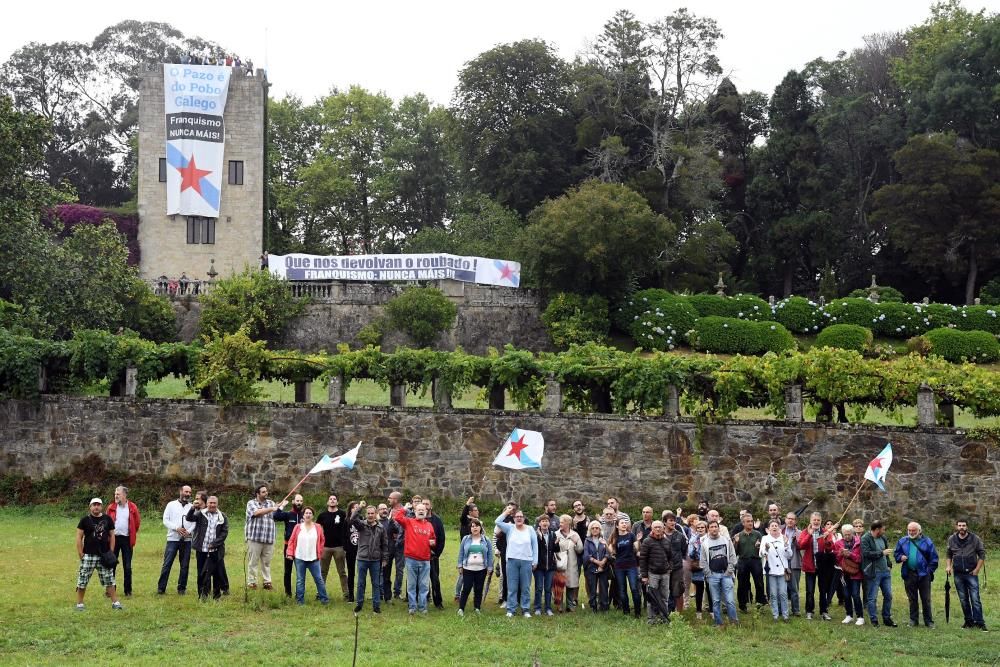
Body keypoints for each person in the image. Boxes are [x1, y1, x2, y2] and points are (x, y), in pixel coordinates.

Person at [75, 498, 122, 611]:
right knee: (83, 579)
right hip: (89, 555)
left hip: (104, 555)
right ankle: (79, 604)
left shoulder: (107, 519)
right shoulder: (84, 520)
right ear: (90, 507)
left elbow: (112, 536)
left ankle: (115, 603)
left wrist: (111, 551)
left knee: (109, 579)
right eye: (94, 505)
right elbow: (79, 537)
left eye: (98, 505)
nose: (96, 507)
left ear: (101, 507)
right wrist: (81, 553)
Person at [494, 505, 538, 618]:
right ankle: (511, 609)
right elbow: (497, 521)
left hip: (527, 561)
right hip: (512, 561)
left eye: (521, 517)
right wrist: (507, 512)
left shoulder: (530, 529)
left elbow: (535, 545)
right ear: (514, 518)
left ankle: (525, 609)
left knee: (525, 587)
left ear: (524, 518)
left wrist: (535, 561)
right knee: (512, 587)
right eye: (517, 516)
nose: (519, 518)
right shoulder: (509, 528)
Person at [392, 501, 435, 614]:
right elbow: (397, 517)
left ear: (426, 512)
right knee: (411, 585)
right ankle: (412, 607)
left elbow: (433, 539)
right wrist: (405, 508)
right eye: (418, 509)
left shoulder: (429, 525)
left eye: (423, 510)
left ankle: (422, 607)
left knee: (424, 585)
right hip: (411, 559)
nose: (421, 511)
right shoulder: (409, 522)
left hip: (425, 560)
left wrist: (433, 542)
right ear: (415, 512)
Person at [894, 521, 938, 628]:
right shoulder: (903, 541)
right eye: (909, 530)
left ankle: (929, 621)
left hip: (924, 575)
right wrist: (900, 557)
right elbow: (896, 554)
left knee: (926, 599)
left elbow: (934, 559)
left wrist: (928, 571)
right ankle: (913, 620)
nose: (911, 532)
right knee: (912, 599)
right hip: (909, 573)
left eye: (914, 530)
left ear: (919, 531)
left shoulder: (927, 542)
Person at [946, 519, 987, 631]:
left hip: (971, 573)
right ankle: (968, 621)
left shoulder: (975, 539)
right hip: (958, 574)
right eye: (959, 525)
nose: (962, 527)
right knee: (963, 599)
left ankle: (979, 622)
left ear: (967, 527)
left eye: (964, 525)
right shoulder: (952, 539)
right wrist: (948, 566)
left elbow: (982, 554)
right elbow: (949, 554)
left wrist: (977, 569)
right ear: (956, 527)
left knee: (975, 599)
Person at [186, 493, 229, 600]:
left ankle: (216, 596)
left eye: (214, 503)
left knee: (217, 573)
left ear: (217, 504)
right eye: (210, 503)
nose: (212, 505)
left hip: (216, 550)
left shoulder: (222, 516)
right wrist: (192, 508)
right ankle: (202, 595)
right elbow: (189, 518)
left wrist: (214, 544)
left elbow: (224, 533)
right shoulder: (201, 514)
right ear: (207, 503)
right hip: (202, 549)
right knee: (201, 573)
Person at [285, 506, 328, 605]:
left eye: (310, 513)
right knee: (300, 580)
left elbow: (322, 540)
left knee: (319, 579)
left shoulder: (317, 527)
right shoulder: (297, 527)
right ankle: (300, 601)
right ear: (303, 515)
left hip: (314, 558)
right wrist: (290, 553)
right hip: (300, 557)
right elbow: (291, 541)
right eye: (306, 513)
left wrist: (319, 552)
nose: (308, 515)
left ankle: (324, 600)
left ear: (313, 516)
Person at [245, 485, 284, 591]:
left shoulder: (271, 503)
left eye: (266, 491)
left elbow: (276, 515)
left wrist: (280, 507)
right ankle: (252, 582)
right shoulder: (251, 503)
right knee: (253, 561)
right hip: (255, 538)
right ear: (257, 494)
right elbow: (257, 513)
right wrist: (272, 508)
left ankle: (267, 582)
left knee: (266, 562)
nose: (266, 493)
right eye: (263, 492)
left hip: (269, 538)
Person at [797, 511, 835, 620]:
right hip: (810, 565)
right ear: (811, 521)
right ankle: (809, 611)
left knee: (823, 590)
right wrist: (809, 534)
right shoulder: (805, 532)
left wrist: (827, 539)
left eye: (818, 520)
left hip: (822, 566)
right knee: (810, 590)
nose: (816, 522)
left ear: (821, 521)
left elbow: (830, 548)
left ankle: (824, 611)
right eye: (814, 520)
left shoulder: (825, 532)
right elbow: (801, 546)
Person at [158, 485, 195, 595]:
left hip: (187, 540)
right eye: (186, 491)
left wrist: (188, 531)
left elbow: (195, 522)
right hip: (172, 539)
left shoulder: (192, 507)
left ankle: (182, 588)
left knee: (185, 565)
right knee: (167, 563)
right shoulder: (171, 505)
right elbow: (165, 520)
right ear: (180, 491)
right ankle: (161, 588)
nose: (187, 494)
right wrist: (176, 528)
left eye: (189, 492)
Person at [351, 501, 387, 613]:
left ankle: (376, 606)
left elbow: (385, 545)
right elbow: (352, 518)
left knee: (376, 584)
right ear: (366, 514)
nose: (370, 515)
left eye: (372, 513)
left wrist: (385, 558)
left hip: (375, 560)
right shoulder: (361, 525)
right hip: (362, 559)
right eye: (368, 513)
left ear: (376, 514)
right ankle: (359, 604)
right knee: (361, 583)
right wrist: (359, 508)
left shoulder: (381, 528)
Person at [701, 519, 738, 626]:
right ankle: (718, 623)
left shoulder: (726, 540)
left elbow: (732, 556)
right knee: (716, 601)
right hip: (713, 576)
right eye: (711, 527)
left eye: (715, 526)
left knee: (730, 600)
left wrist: (729, 571)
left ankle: (734, 622)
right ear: (708, 529)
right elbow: (703, 561)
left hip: (726, 574)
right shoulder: (705, 543)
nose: (714, 529)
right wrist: (709, 574)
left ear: (718, 528)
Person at [861, 520, 897, 627]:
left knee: (888, 596)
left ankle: (887, 618)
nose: (884, 531)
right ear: (877, 530)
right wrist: (881, 553)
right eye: (883, 529)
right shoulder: (865, 538)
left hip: (885, 572)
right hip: (874, 572)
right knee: (872, 597)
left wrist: (889, 564)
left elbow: (886, 554)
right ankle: (874, 620)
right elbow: (866, 554)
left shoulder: (883, 538)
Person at [106, 485, 140, 597]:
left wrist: (132, 533)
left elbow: (136, 523)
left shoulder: (132, 507)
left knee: (127, 566)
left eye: (118, 494)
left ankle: (128, 591)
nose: (116, 496)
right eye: (115, 494)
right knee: (111, 565)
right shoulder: (111, 507)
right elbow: (106, 523)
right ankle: (111, 590)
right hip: (113, 540)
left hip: (127, 539)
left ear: (124, 495)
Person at [457, 518, 493, 616]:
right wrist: (460, 565)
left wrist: (490, 567)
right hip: (468, 568)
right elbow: (461, 553)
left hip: (481, 569)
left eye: (477, 526)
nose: (475, 528)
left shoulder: (486, 540)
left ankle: (477, 608)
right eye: (472, 526)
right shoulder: (466, 539)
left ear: (480, 528)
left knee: (479, 589)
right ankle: (461, 608)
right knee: (466, 588)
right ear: (470, 528)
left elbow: (490, 554)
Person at [638, 520, 672, 625]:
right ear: (652, 529)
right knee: (652, 598)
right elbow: (643, 559)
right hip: (652, 574)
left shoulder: (667, 541)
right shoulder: (647, 541)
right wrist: (644, 576)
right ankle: (651, 619)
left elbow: (670, 557)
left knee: (664, 597)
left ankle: (664, 618)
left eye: (660, 527)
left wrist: (670, 567)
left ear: (663, 528)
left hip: (665, 574)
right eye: (655, 527)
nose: (658, 529)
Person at [317, 494, 350, 600]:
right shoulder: (322, 515)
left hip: (339, 547)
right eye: (330, 499)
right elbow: (317, 530)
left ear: (337, 502)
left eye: (334, 499)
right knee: (322, 572)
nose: (332, 500)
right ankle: (320, 593)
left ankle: (346, 594)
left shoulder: (342, 514)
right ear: (327, 502)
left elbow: (347, 529)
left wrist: (345, 544)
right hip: (325, 547)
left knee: (342, 572)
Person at [760, 519, 792, 621]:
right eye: (772, 526)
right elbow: (761, 553)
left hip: (782, 571)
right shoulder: (765, 538)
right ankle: (775, 615)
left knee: (783, 593)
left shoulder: (784, 538)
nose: (774, 527)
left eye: (776, 525)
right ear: (768, 529)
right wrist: (766, 549)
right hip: (771, 570)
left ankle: (785, 615)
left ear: (779, 528)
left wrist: (787, 545)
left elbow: (789, 555)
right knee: (773, 594)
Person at [272, 493, 304, 597]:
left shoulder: (305, 515)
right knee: (288, 571)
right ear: (293, 502)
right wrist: (281, 506)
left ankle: (299, 593)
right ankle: (288, 593)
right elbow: (275, 516)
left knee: (300, 571)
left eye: (301, 501)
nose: (299, 503)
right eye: (297, 501)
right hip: (289, 547)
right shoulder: (288, 514)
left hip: (301, 547)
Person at [609, 517, 642, 618]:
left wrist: (639, 540)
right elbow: (612, 552)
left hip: (631, 566)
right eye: (622, 523)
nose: (624, 524)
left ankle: (637, 612)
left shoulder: (631, 535)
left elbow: (637, 549)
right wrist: (607, 546)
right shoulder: (615, 537)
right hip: (619, 567)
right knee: (622, 590)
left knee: (634, 588)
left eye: (625, 523)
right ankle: (626, 611)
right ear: (617, 525)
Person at [733, 513, 765, 612]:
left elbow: (763, 550)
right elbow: (735, 552)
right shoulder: (738, 535)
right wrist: (736, 542)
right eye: (748, 521)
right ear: (743, 523)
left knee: (759, 583)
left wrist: (759, 546)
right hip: (743, 561)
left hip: (755, 561)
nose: (750, 523)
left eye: (751, 521)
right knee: (742, 584)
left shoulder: (758, 534)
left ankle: (760, 604)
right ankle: (743, 605)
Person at [835, 524, 865, 625]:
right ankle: (849, 615)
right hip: (844, 573)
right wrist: (841, 553)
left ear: (852, 533)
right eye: (845, 534)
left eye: (849, 534)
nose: (847, 536)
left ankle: (860, 616)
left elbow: (860, 558)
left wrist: (850, 554)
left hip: (856, 572)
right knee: (846, 595)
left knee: (855, 594)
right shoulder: (838, 543)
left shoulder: (859, 542)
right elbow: (836, 559)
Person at [555, 514, 584, 612]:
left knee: (571, 585)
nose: (560, 524)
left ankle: (570, 605)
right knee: (559, 584)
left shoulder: (575, 535)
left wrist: (575, 543)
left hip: (572, 564)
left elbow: (580, 550)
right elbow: (552, 549)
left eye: (562, 522)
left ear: (568, 523)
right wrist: (555, 544)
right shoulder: (556, 534)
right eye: (560, 522)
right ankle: (559, 605)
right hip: (559, 563)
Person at [583, 520, 610, 613]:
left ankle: (604, 607)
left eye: (597, 528)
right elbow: (586, 555)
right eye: (593, 528)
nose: (595, 530)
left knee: (604, 588)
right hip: (591, 567)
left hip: (604, 567)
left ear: (600, 529)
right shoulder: (587, 540)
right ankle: (593, 606)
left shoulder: (603, 539)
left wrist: (603, 562)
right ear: (590, 530)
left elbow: (608, 553)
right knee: (592, 588)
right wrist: (598, 562)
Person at [533, 514, 558, 616]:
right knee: (539, 588)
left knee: (548, 588)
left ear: (549, 523)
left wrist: (557, 544)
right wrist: (540, 537)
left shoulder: (552, 534)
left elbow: (556, 550)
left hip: (550, 566)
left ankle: (548, 608)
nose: (545, 523)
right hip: (539, 566)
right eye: (542, 521)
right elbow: (536, 548)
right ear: (539, 523)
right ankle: (537, 608)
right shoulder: (535, 535)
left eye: (546, 521)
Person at [456, 497, 479, 602]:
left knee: (476, 572)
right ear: (470, 512)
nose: (477, 511)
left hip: (477, 550)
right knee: (463, 574)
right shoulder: (466, 521)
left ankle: (476, 595)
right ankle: (457, 595)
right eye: (475, 510)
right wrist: (467, 503)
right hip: (466, 551)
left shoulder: (478, 522)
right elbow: (462, 516)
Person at [424, 498, 446, 609]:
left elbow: (442, 538)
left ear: (431, 506)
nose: (425, 506)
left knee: (435, 580)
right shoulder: (416, 520)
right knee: (421, 580)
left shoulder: (437, 520)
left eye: (427, 504)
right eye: (423, 504)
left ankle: (438, 602)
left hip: (433, 556)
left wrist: (437, 553)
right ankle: (422, 600)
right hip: (420, 556)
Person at [384, 491, 405, 602]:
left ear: (396, 500)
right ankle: (385, 591)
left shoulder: (404, 511)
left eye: (390, 498)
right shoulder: (389, 511)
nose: (388, 500)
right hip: (389, 545)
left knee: (399, 570)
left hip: (400, 546)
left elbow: (402, 527)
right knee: (386, 568)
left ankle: (397, 592)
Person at [494, 501, 516, 606]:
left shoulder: (520, 520)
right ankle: (505, 598)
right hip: (504, 550)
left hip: (516, 551)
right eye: (509, 508)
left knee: (516, 576)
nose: (511, 510)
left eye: (513, 508)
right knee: (505, 576)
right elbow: (496, 534)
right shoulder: (503, 520)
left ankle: (516, 598)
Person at [688, 520, 711, 620]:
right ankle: (698, 611)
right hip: (697, 568)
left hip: (709, 567)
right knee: (699, 590)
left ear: (706, 528)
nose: (700, 529)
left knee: (710, 590)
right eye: (698, 528)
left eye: (702, 527)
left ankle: (712, 611)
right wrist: (695, 548)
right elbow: (690, 555)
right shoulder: (693, 540)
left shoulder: (710, 538)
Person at [782, 511, 802, 616]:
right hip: (781, 562)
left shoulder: (800, 533)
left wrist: (796, 541)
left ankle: (796, 610)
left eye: (792, 519)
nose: (790, 520)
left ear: (795, 521)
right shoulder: (779, 530)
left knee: (794, 588)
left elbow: (802, 548)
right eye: (788, 518)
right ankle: (782, 609)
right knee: (782, 587)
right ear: (785, 519)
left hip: (794, 562)